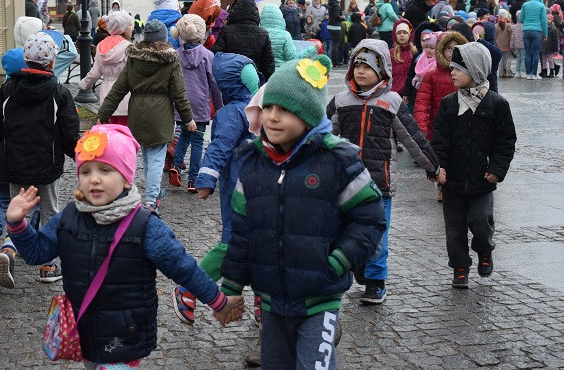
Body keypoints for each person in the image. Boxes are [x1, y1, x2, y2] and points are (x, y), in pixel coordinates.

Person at [5, 125, 245, 367]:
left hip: (125, 337)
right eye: (86, 171)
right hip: (84, 333)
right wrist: (17, 224)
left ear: (126, 179)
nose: (94, 178)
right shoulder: (67, 218)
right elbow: (37, 253)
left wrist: (219, 302)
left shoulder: (146, 226)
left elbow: (184, 268)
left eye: (106, 170)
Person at [219, 54, 386, 370]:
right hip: (271, 300)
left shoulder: (337, 161)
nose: (271, 117)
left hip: (319, 299)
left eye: (284, 110)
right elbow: (242, 233)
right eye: (268, 107)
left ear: (308, 116)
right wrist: (230, 288)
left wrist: (337, 262)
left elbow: (370, 219)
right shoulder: (253, 164)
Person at [327, 40, 439, 304]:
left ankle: (376, 283)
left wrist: (433, 167)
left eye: (368, 66)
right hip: (346, 183)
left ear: (382, 70)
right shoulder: (341, 102)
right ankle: (359, 266)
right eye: (357, 65)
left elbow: (413, 138)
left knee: (378, 236)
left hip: (380, 185)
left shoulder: (392, 102)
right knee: (346, 231)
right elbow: (323, 136)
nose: (361, 71)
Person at [0, 32, 81, 287]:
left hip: (15, 165)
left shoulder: (8, 89)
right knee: (49, 212)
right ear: (51, 62)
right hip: (48, 166)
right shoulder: (59, 93)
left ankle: (8, 250)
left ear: (26, 60)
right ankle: (47, 265)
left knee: (18, 210)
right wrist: (80, 157)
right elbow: (69, 131)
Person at [173, 52, 261, 327]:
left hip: (265, 188)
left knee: (266, 246)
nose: (254, 79)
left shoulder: (264, 106)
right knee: (232, 244)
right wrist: (205, 180)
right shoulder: (231, 113)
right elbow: (219, 148)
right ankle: (190, 287)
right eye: (248, 75)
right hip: (238, 189)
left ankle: (265, 303)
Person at [433, 42, 516, 288]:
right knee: (454, 229)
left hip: (483, 179)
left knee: (481, 222)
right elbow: (439, 140)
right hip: (452, 181)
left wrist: (497, 169)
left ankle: (484, 250)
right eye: (452, 68)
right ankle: (460, 268)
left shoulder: (496, 104)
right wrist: (438, 168)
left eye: (460, 68)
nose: (453, 72)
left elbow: (506, 141)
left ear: (477, 70)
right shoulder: (449, 104)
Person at [97, 20, 196, 210]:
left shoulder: (134, 58)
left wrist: (104, 114)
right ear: (163, 38)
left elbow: (119, 89)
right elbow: (179, 93)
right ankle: (151, 200)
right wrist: (188, 119)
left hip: (137, 113)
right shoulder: (170, 59)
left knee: (146, 158)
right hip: (160, 115)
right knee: (157, 158)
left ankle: (148, 194)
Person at [167, 15, 224, 193]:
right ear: (201, 32)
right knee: (198, 141)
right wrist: (219, 106)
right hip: (200, 103)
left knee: (183, 135)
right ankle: (193, 179)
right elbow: (213, 83)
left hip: (182, 102)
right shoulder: (208, 55)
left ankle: (175, 165)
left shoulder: (176, 55)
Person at [78, 11, 134, 126]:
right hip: (126, 96)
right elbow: (134, 73)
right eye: (129, 25)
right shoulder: (128, 47)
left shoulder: (101, 45)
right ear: (122, 27)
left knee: (110, 133)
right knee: (125, 134)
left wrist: (83, 84)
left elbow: (95, 73)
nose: (132, 28)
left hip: (107, 97)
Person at [414, 32, 468, 142]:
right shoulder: (431, 75)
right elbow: (422, 103)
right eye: (448, 48)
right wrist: (421, 127)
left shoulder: (467, 73)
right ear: (441, 50)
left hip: (463, 125)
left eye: (455, 49)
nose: (452, 52)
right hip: (438, 126)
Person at [212, 0, 275, 79]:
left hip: (230, 76)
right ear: (255, 12)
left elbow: (216, 55)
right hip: (255, 77)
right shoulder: (263, 34)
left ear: (235, 11)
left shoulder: (226, 30)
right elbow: (268, 64)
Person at [260, 3, 318, 69]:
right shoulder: (285, 35)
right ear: (280, 17)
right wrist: (313, 49)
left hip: (262, 74)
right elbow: (293, 58)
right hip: (280, 74)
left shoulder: (258, 35)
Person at [519, 0, 548, 80]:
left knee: (527, 52)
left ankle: (528, 74)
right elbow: (544, 21)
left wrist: (527, 23)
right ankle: (534, 74)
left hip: (526, 30)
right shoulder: (541, 6)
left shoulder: (525, 5)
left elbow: (521, 18)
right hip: (537, 31)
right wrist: (545, 34)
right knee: (536, 52)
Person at [390, 19, 416, 95]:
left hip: (410, 92)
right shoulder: (391, 53)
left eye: (405, 33)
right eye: (399, 33)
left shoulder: (414, 52)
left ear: (409, 35)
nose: (402, 35)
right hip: (394, 91)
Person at [495, 10, 514, 78]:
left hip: (498, 45)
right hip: (507, 45)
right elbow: (511, 36)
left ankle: (501, 72)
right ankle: (508, 72)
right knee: (508, 58)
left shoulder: (496, 26)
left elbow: (495, 37)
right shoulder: (509, 26)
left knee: (500, 60)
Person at [540, 14, 559, 78]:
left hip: (550, 47)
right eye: (546, 19)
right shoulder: (542, 28)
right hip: (543, 47)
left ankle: (551, 71)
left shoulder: (553, 29)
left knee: (550, 60)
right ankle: (544, 71)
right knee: (544, 60)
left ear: (552, 20)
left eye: (549, 19)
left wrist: (556, 49)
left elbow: (555, 40)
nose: (547, 20)